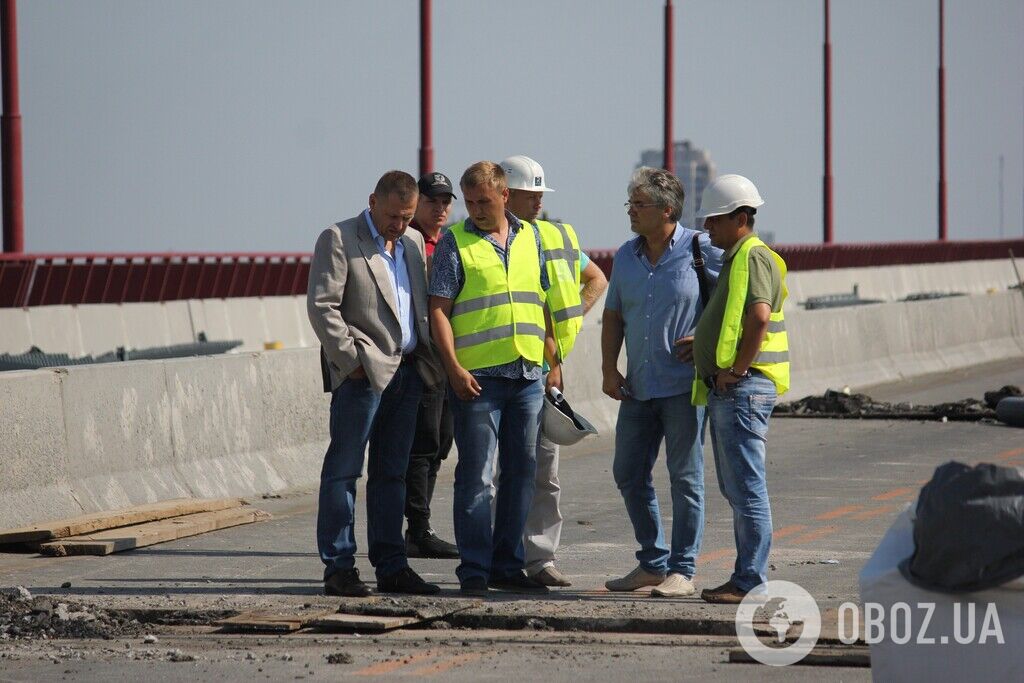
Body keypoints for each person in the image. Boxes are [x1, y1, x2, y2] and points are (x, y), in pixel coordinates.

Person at [307, 170, 444, 597]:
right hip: (362, 376)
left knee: (392, 475)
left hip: (406, 372)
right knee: (344, 472)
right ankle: (339, 568)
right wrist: (353, 363)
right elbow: (322, 306)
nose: (398, 225)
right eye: (392, 216)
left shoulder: (414, 243)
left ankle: (392, 566)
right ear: (372, 201)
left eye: (406, 217)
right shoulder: (339, 239)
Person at [428, 161, 560, 596]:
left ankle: (508, 565)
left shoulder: (532, 238)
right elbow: (439, 312)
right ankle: (475, 570)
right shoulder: (455, 242)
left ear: (505, 195)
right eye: (469, 202)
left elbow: (541, 300)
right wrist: (454, 369)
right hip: (478, 379)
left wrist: (551, 357)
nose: (475, 210)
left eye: (483, 201)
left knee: (521, 473)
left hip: (526, 375)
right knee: (476, 477)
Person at [601, 167, 722, 598]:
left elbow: (745, 293)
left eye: (640, 204)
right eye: (630, 204)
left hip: (685, 387)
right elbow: (613, 313)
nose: (631, 211)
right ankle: (652, 561)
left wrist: (709, 337)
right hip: (639, 386)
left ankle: (682, 570)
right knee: (628, 472)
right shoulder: (626, 256)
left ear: (667, 210)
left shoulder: (701, 249)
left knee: (685, 478)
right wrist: (608, 369)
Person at [681, 174, 790, 604]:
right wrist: (704, 344)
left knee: (746, 487)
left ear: (741, 218)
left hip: (743, 390)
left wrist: (737, 369)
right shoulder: (738, 257)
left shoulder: (753, 257)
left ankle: (750, 580)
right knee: (737, 486)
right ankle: (747, 576)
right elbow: (735, 318)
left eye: (715, 220)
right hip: (733, 390)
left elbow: (759, 317)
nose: (708, 229)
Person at [500, 155, 608, 587]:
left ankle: (539, 559)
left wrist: (566, 330)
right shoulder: (485, 238)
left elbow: (596, 279)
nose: (538, 201)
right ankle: (501, 557)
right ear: (506, 193)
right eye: (531, 194)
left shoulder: (556, 236)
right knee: (499, 473)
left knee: (542, 470)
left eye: (541, 194)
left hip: (543, 372)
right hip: (497, 371)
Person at [403, 172, 460, 559]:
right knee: (422, 444)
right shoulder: (405, 242)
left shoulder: (449, 242)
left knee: (440, 442)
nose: (439, 209)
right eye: (432, 201)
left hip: (448, 358)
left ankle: (420, 527)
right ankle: (417, 529)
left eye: (445, 202)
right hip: (419, 358)